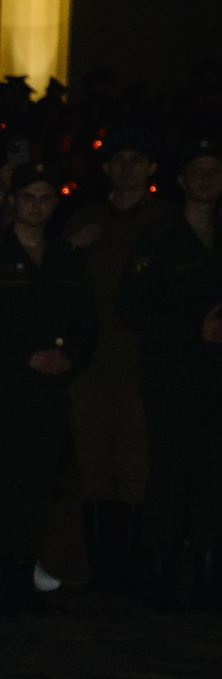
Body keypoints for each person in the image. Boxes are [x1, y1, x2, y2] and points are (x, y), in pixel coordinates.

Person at [0, 162, 94, 619]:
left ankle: (23, 582)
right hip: (2, 391)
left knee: (37, 486)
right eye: (28, 197)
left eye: (46, 198)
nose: (37, 206)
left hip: (48, 393)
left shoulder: (65, 258)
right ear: (13, 201)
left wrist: (71, 358)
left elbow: (85, 320)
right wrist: (23, 358)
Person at [62, 127, 168, 591]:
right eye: (118, 159)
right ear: (106, 168)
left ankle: (133, 567)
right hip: (91, 357)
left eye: (136, 158)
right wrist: (72, 249)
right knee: (93, 461)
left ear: (151, 169)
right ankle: (102, 567)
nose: (126, 166)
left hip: (145, 356)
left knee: (138, 461)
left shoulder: (167, 221)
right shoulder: (85, 218)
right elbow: (58, 283)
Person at [121, 132, 222, 608]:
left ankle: (205, 576)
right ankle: (159, 576)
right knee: (170, 466)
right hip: (172, 373)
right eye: (197, 170)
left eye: (213, 169)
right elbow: (134, 307)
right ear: (181, 179)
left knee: (212, 469)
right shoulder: (159, 238)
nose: (206, 178)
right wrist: (191, 331)